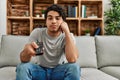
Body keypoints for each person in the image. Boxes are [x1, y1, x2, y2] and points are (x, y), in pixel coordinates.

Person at [16, 4, 81, 80]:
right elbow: (24, 60)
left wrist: (67, 31)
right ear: (46, 21)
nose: (53, 21)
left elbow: (72, 59)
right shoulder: (37, 33)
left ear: (63, 22)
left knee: (74, 67)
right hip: (40, 70)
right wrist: (27, 51)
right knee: (22, 67)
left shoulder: (68, 36)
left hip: (59, 71)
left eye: (57, 18)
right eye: (50, 18)